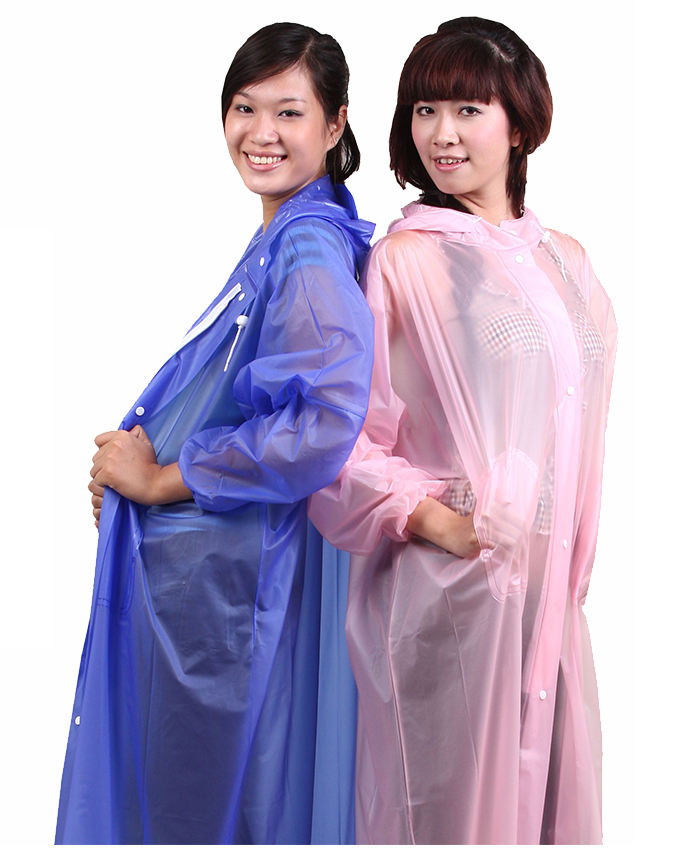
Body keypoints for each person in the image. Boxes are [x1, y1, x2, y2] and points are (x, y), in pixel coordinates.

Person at [55, 23, 374, 845]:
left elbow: (323, 422)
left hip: (238, 597)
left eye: (289, 112)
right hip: (226, 586)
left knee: (214, 810)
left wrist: (163, 479)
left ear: (335, 124)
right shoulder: (287, 231)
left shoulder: (306, 244)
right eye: (244, 107)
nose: (261, 133)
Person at [309, 16, 617, 845]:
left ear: (519, 124)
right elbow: (346, 437)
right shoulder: (409, 260)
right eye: (425, 110)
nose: (442, 134)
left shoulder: (566, 260)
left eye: (468, 110)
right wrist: (446, 525)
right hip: (450, 599)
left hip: (550, 608)